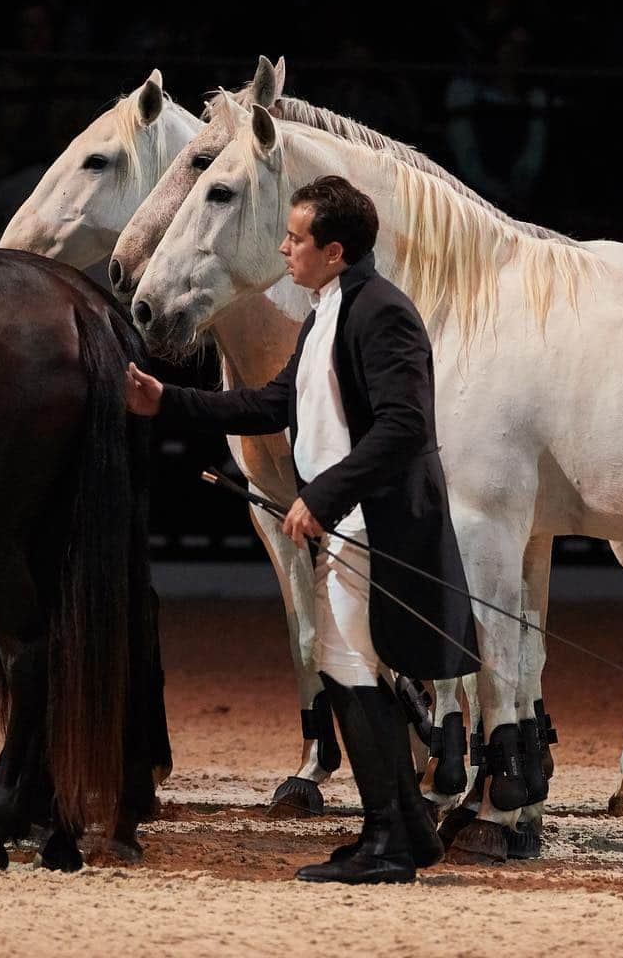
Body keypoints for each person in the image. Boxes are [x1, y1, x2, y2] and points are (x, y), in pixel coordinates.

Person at [126, 175, 480, 884]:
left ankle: (387, 840)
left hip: (373, 523)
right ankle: (406, 830)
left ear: (336, 250)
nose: (284, 248)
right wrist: (168, 401)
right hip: (346, 523)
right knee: (347, 667)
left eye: (296, 238)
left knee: (349, 668)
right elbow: (272, 402)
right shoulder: (326, 311)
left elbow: (405, 426)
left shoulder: (383, 313)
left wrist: (322, 497)